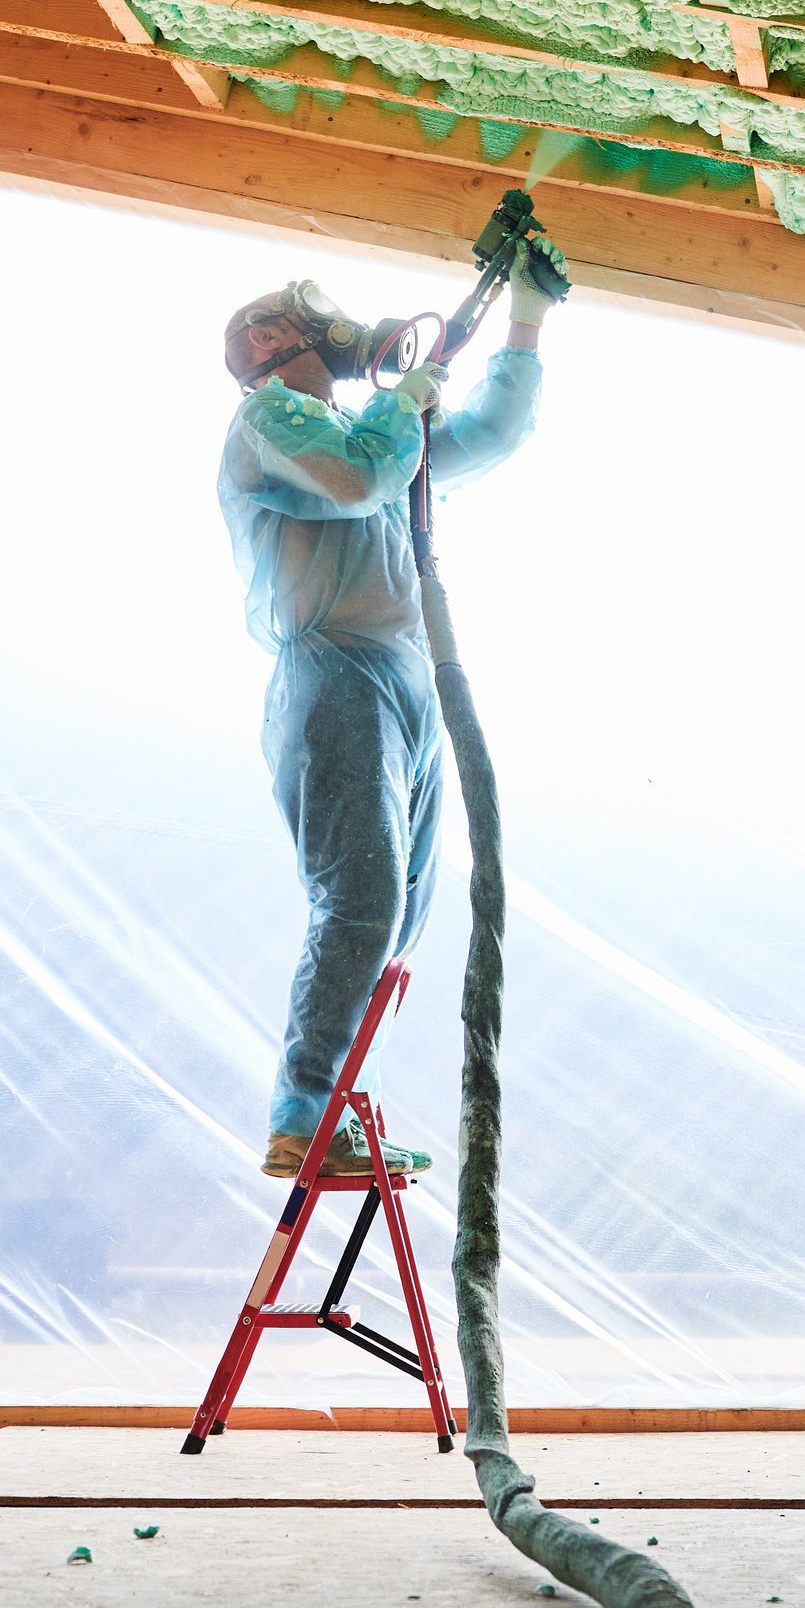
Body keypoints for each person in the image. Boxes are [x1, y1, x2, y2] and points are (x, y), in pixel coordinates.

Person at [218, 240, 566, 1177]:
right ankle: (301, 1115)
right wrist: (404, 399)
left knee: (398, 919)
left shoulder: (373, 432)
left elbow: (484, 439)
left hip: (403, 683)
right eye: (305, 310)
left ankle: (332, 1110)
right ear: (263, 338)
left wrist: (524, 326)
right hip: (332, 679)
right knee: (361, 900)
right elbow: (356, 478)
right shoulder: (273, 418)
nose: (333, 323)